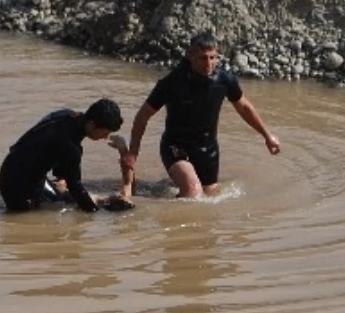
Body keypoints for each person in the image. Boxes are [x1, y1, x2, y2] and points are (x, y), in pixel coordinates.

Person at [120, 32, 280, 199]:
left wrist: (267, 136)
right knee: (193, 190)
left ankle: (164, 193)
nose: (209, 64)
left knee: (210, 196)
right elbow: (143, 115)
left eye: (213, 58)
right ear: (190, 56)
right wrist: (133, 153)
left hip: (208, 150)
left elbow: (244, 107)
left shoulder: (224, 79)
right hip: (175, 146)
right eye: (203, 58)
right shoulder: (172, 82)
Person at [0, 98, 127, 213]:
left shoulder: (66, 115)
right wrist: (93, 212)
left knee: (60, 198)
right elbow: (75, 187)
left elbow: (52, 153)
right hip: (16, 185)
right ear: (92, 124)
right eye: (104, 132)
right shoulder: (70, 146)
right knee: (28, 223)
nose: (105, 137)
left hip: (15, 167)